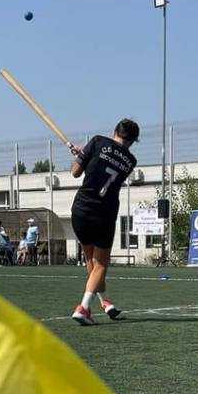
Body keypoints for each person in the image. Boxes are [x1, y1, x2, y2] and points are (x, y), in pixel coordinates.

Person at [68, 119, 139, 325]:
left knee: (91, 261)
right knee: (101, 264)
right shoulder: (131, 161)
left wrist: (82, 155)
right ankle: (83, 307)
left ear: (115, 130)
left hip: (81, 209)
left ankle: (105, 302)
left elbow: (75, 172)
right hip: (104, 213)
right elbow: (107, 164)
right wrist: (86, 155)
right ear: (134, 140)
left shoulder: (97, 141)